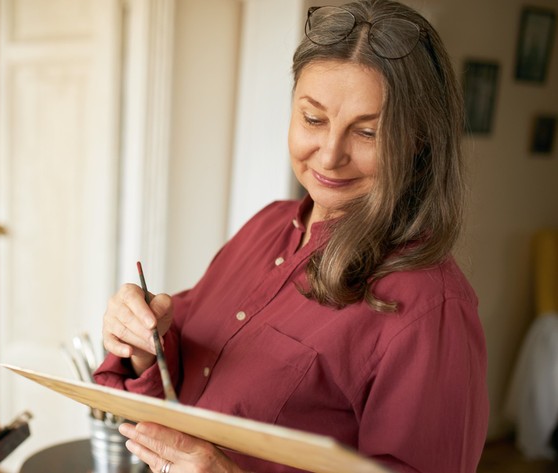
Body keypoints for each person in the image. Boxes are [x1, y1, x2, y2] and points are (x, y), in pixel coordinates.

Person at [93, 1, 489, 472]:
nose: (329, 155)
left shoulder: (430, 308)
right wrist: (143, 347)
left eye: (367, 132)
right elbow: (182, 381)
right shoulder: (269, 225)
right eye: (313, 120)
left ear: (419, 139)